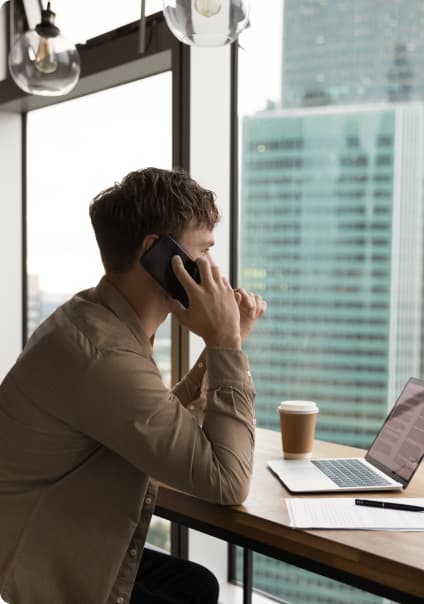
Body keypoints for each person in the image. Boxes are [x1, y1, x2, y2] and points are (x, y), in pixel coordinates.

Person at [0, 167, 266, 604]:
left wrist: (228, 345)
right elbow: (228, 480)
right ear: (159, 254)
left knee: (196, 586)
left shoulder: (94, 318)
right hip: (44, 559)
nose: (213, 272)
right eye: (204, 252)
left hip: (56, 532)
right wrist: (224, 345)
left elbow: (155, 417)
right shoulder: (103, 354)